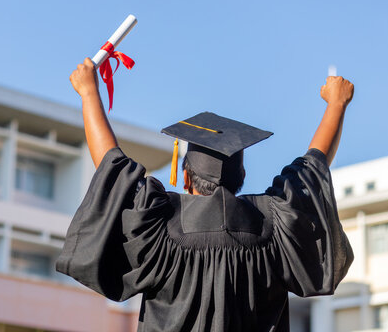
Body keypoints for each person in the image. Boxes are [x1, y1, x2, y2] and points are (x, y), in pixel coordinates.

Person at [56, 58, 354, 332]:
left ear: (185, 177)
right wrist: (336, 104)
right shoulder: (275, 224)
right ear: (242, 177)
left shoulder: (159, 225)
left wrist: (89, 94)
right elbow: (311, 171)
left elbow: (113, 170)